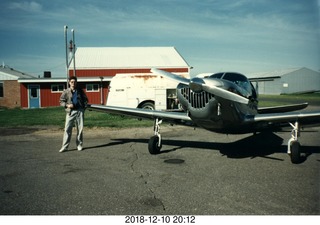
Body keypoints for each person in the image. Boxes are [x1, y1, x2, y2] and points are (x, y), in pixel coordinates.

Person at [59, 76, 88, 153]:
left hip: (79, 111)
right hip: (70, 112)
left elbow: (86, 100)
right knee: (67, 129)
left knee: (80, 129)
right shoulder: (66, 91)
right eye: (72, 82)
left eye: (74, 82)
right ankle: (64, 147)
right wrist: (68, 105)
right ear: (69, 82)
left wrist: (83, 108)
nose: (73, 83)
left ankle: (79, 145)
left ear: (76, 83)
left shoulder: (80, 91)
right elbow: (61, 101)